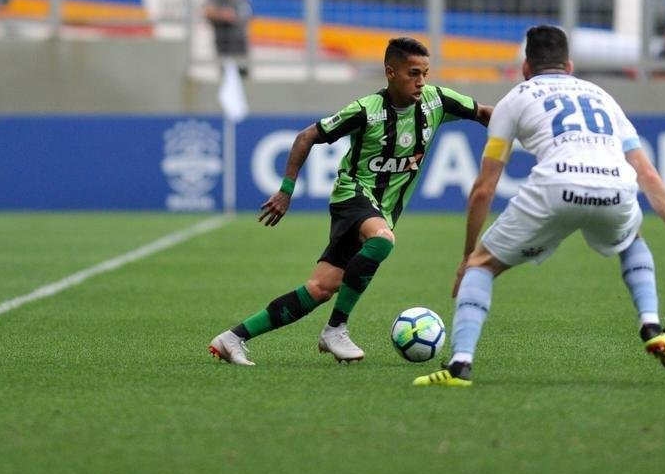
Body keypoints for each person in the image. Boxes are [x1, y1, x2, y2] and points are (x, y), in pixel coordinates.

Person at [414, 24, 665, 387]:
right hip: (614, 187)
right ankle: (650, 323)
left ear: (525, 67)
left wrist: (468, 256)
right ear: (569, 65)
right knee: (631, 239)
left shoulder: (515, 99)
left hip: (555, 186)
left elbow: (483, 189)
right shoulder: (602, 97)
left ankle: (460, 366)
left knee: (482, 267)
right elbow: (648, 174)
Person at [208, 37, 493, 366]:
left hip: (382, 208)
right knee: (383, 240)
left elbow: (485, 113)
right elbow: (307, 136)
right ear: (390, 72)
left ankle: (232, 338)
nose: (421, 81)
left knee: (320, 288)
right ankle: (335, 329)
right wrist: (286, 189)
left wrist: (524, 120)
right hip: (352, 195)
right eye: (413, 73)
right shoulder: (366, 111)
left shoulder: (436, 101)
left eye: (425, 73)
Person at [203, 0, 251, 78]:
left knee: (244, 79)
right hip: (223, 46)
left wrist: (229, 15)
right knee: (225, 80)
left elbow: (247, 14)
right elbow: (207, 11)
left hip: (240, 47)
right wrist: (222, 14)